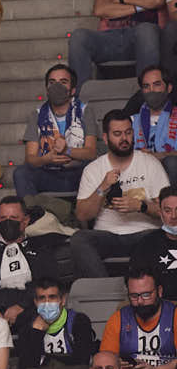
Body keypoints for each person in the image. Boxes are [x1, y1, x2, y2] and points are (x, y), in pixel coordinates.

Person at [70, 109, 168, 278]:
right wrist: (102, 188)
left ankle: (144, 288)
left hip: (144, 233)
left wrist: (141, 206)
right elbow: (82, 215)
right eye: (117, 134)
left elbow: (168, 212)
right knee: (79, 239)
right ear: (106, 137)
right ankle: (102, 289)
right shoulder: (93, 169)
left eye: (128, 133)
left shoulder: (150, 163)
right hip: (107, 235)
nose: (124, 139)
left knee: (163, 237)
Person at [0, 196, 55, 327]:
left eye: (13, 219)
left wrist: (21, 306)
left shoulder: (41, 251)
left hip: (30, 313)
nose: (8, 223)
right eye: (3, 219)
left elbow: (50, 285)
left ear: (25, 221)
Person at [14, 64, 98, 196]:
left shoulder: (85, 111)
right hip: (49, 174)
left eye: (63, 82)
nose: (56, 87)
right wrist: (45, 159)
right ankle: (34, 214)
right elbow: (30, 158)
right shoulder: (37, 114)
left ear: (73, 90)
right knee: (21, 173)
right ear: (47, 89)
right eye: (52, 82)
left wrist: (67, 151)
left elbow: (91, 153)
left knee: (95, 168)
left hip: (79, 174)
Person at [98, 268, 177, 369]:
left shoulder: (174, 315)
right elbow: (104, 362)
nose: (140, 301)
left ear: (159, 291)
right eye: (134, 296)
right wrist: (115, 365)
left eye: (146, 295)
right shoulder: (118, 319)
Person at [130, 66, 177, 184]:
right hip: (140, 174)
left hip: (171, 171)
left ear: (169, 88)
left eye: (156, 84)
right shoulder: (132, 121)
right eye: (146, 86)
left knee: (172, 162)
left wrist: (162, 155)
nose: (151, 90)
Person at [130, 186, 177, 300]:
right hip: (159, 307)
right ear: (160, 213)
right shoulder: (146, 244)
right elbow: (137, 284)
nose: (174, 216)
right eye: (167, 211)